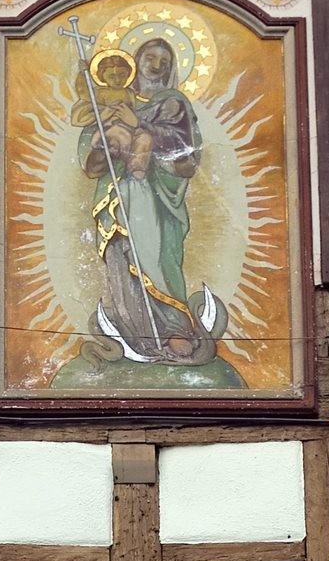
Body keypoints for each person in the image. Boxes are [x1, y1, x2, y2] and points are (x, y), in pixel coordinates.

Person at [75, 34, 226, 368]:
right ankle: (132, 331)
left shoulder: (173, 102)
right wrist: (104, 144)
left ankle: (174, 327)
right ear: (135, 61)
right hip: (116, 194)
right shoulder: (112, 101)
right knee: (120, 258)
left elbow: (186, 152)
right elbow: (90, 153)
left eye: (164, 60)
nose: (156, 65)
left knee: (158, 257)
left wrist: (140, 124)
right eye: (150, 57)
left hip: (156, 196)